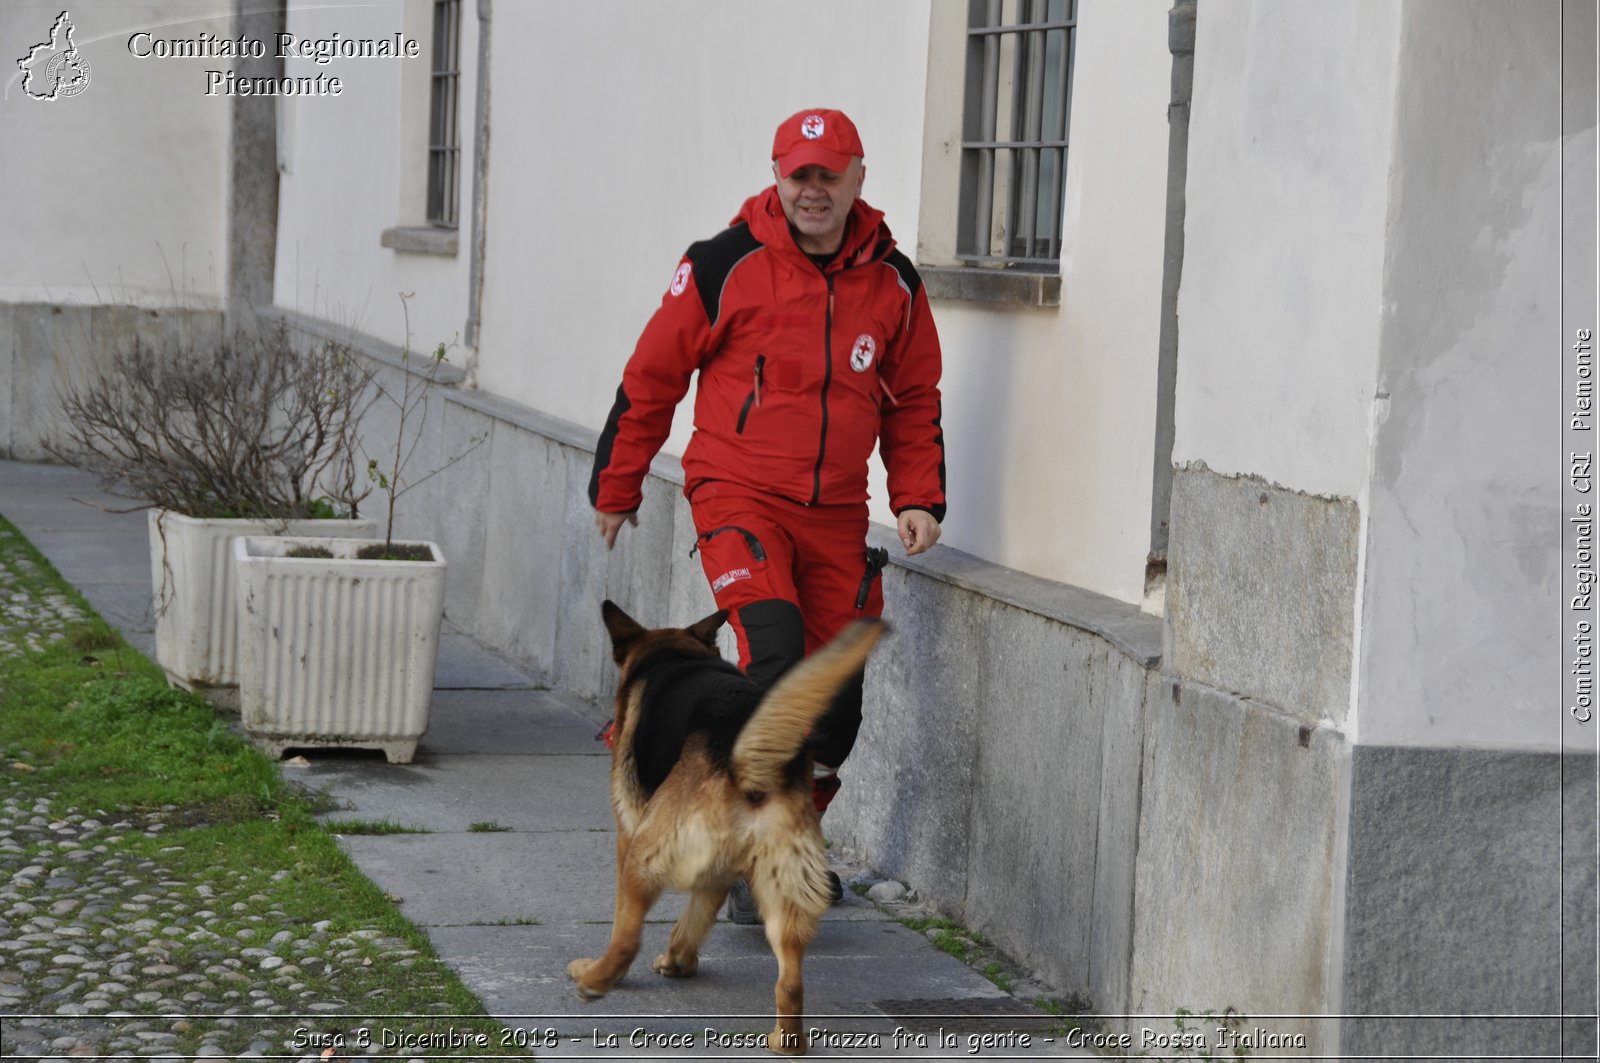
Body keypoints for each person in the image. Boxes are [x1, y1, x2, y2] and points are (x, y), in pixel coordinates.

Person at [588, 107, 946, 922]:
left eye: (828, 174)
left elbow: (914, 394)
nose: (811, 190)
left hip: (835, 519)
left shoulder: (894, 281)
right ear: (778, 176)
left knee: (836, 703)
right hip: (738, 494)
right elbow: (652, 374)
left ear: (859, 178)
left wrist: (917, 494)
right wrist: (619, 482)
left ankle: (789, 835)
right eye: (798, 174)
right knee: (775, 656)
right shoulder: (723, 264)